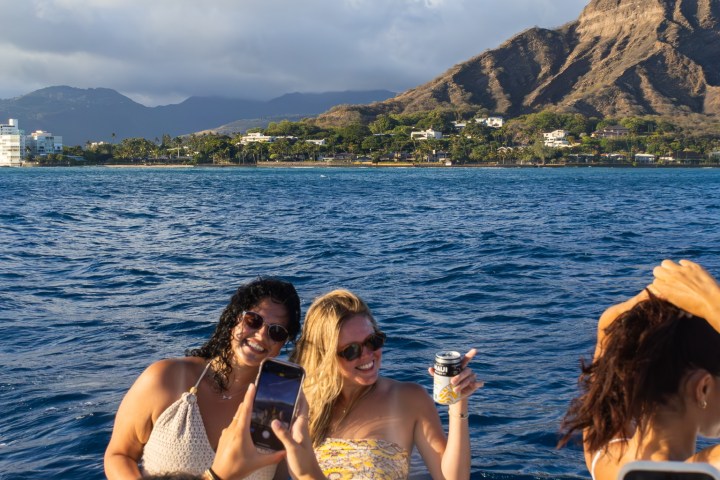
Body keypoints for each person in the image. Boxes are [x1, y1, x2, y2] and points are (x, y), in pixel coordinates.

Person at [105, 277, 301, 480]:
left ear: (282, 345)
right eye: (253, 320)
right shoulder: (166, 378)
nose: (261, 335)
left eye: (276, 332)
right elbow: (120, 454)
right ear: (234, 318)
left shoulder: (281, 408)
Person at [290, 289, 483, 480]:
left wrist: (458, 403)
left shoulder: (407, 399)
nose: (367, 355)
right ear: (324, 355)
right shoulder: (298, 404)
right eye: (351, 350)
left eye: (373, 341)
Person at [558, 259, 720, 480]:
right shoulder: (710, 469)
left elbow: (608, 327)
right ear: (702, 388)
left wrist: (650, 299)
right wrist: (712, 303)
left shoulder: (606, 462)